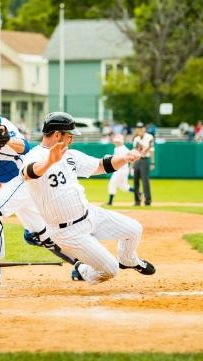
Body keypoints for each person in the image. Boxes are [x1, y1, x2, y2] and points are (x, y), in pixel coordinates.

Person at [20, 112, 156, 285]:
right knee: (110, 270)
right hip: (67, 231)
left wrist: (125, 158)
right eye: (69, 136)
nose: (71, 139)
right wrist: (49, 161)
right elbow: (28, 173)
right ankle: (82, 269)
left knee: (134, 229)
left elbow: (101, 165)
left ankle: (128, 260)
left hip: (90, 214)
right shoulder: (35, 156)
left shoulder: (70, 155)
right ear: (56, 134)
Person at [0, 91, 74, 285]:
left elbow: (24, 146)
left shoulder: (3, 127)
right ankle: (83, 264)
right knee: (41, 235)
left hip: (24, 178)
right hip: (13, 184)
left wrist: (4, 139)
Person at [132, 122, 155, 206]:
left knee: (145, 181)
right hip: (137, 160)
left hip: (145, 160)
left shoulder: (149, 137)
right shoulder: (136, 138)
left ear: (144, 129)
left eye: (141, 128)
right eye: (138, 128)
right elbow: (134, 152)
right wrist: (132, 166)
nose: (140, 129)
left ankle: (147, 201)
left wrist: (152, 162)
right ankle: (137, 201)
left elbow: (152, 150)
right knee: (135, 181)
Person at [106, 134, 132, 206]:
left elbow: (121, 159)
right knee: (124, 187)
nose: (117, 142)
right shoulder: (116, 148)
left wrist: (111, 157)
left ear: (122, 141)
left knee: (112, 184)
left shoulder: (124, 149)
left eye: (118, 141)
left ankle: (110, 202)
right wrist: (112, 157)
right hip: (120, 170)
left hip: (121, 170)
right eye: (116, 141)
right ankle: (138, 193)